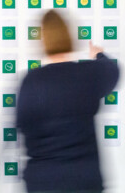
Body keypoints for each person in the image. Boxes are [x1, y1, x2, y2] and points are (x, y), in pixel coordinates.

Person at [16, 10, 119, 193]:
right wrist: (98, 55)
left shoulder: (31, 81)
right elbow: (112, 70)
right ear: (69, 37)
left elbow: (24, 126)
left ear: (43, 41)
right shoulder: (87, 74)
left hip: (43, 182)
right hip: (84, 182)